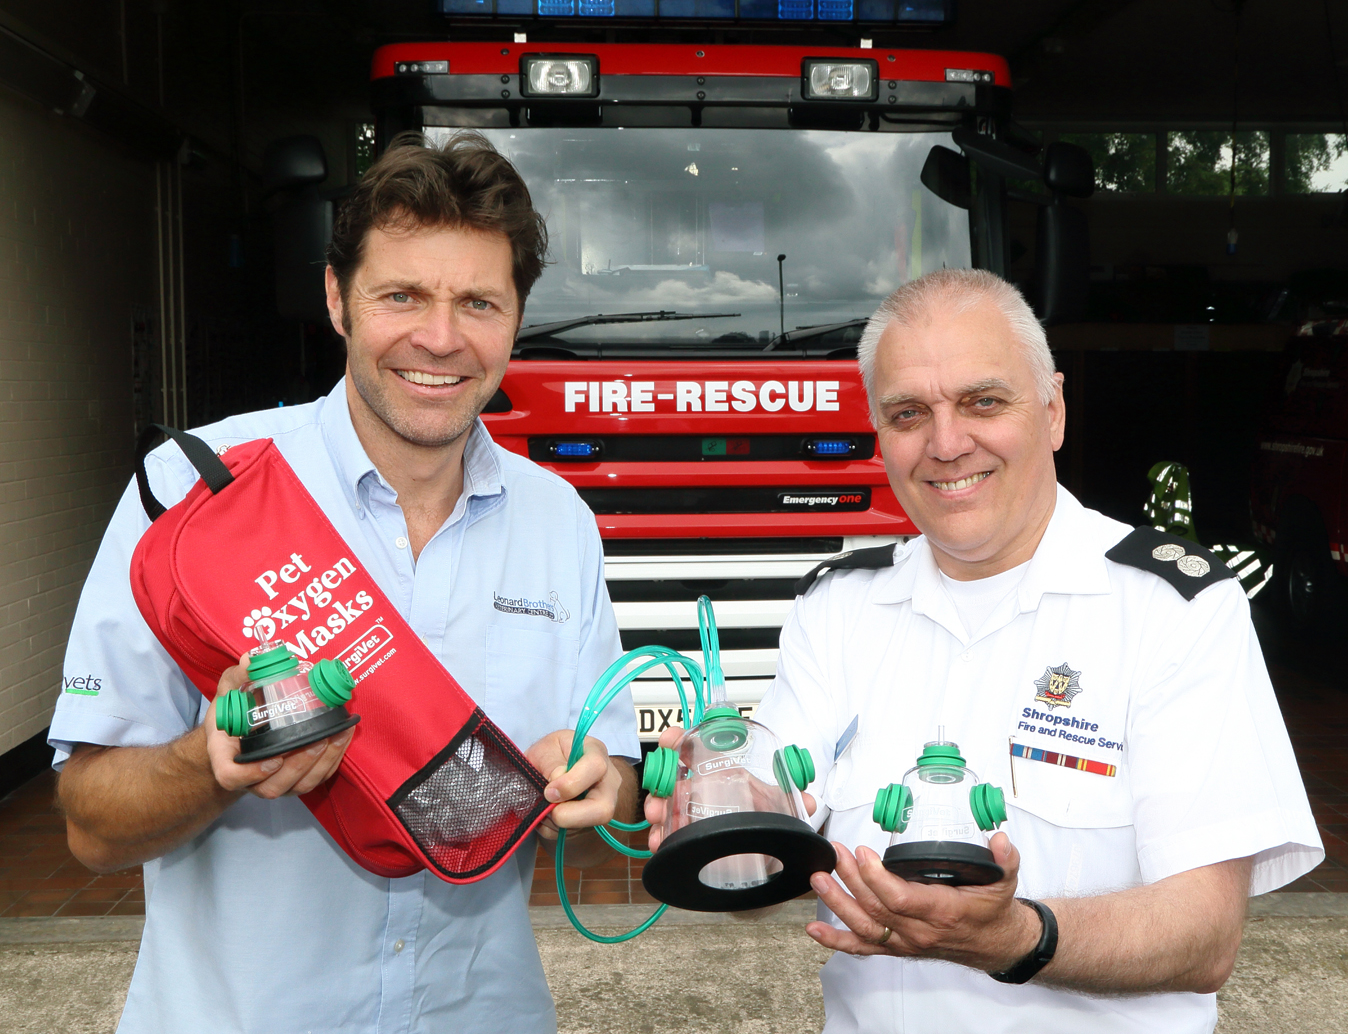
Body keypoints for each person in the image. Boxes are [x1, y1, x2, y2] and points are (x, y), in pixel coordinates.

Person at [52, 133, 639, 1034]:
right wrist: (208, 764)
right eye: (401, 295)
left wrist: (600, 784)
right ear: (336, 297)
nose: (440, 338)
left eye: (478, 302)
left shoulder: (558, 521)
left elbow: (618, 778)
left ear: (516, 317)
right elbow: (90, 825)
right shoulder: (194, 496)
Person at [748, 268, 1321, 1031]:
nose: (946, 443)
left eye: (983, 402)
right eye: (909, 413)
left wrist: (1019, 936)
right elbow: (766, 830)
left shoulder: (1173, 610)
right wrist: (710, 814)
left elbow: (1205, 932)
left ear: (1053, 410)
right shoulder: (836, 609)